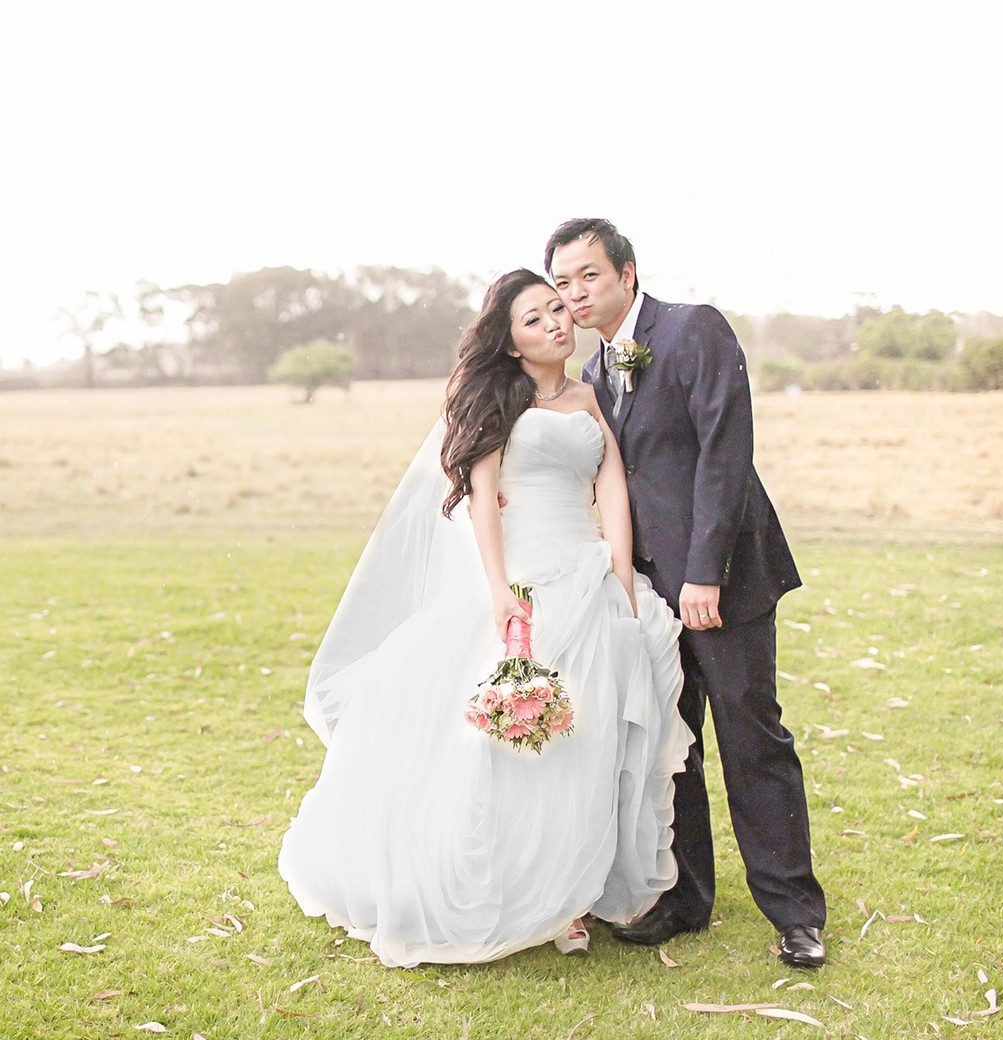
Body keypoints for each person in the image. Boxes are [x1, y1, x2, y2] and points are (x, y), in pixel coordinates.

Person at [278, 269, 692, 968]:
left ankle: (571, 897)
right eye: (534, 319)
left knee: (588, 739)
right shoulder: (500, 399)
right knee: (514, 738)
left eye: (558, 310)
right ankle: (509, 882)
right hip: (524, 581)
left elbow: (612, 488)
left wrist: (621, 579)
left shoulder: (591, 397)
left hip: (588, 575)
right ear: (508, 341)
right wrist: (500, 591)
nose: (555, 324)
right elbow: (482, 494)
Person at [545, 219, 828, 968]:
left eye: (588, 276)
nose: (574, 293)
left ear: (628, 273)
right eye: (562, 281)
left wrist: (706, 571)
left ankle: (796, 912)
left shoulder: (692, 330)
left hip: (722, 578)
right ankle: (685, 898)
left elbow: (724, 453)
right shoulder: (597, 370)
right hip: (647, 592)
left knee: (751, 738)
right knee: (676, 746)